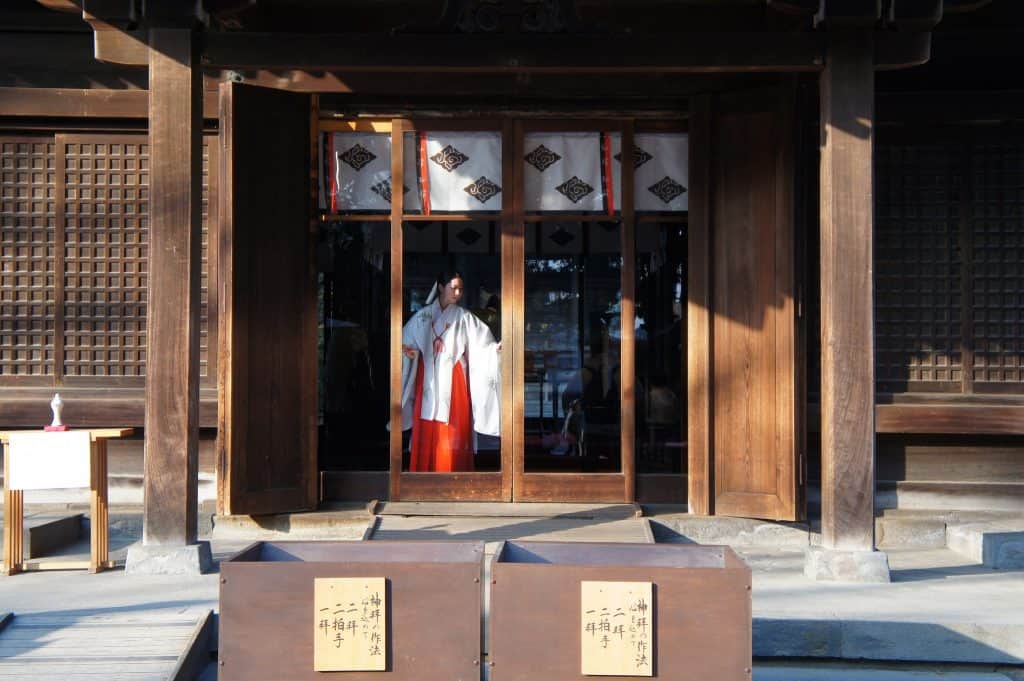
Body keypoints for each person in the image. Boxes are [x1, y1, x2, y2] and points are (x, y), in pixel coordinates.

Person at [398, 270, 501, 472]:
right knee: (427, 430)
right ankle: (424, 478)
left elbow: (482, 346)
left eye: (460, 289)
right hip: (426, 378)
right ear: (440, 287)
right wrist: (408, 352)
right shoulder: (422, 317)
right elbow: (403, 342)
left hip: (455, 383)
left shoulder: (464, 318)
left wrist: (493, 350)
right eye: (453, 287)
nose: (457, 292)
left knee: (452, 431)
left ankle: (454, 477)